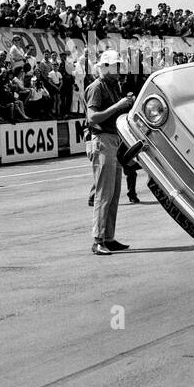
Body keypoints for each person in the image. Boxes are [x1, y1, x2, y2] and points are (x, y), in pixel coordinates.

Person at [85, 49, 134, 255]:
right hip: (102, 139)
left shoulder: (110, 85)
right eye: (115, 66)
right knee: (104, 194)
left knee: (112, 193)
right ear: (105, 67)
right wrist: (119, 105)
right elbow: (92, 118)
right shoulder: (97, 87)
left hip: (111, 139)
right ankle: (98, 239)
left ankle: (107, 237)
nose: (119, 69)